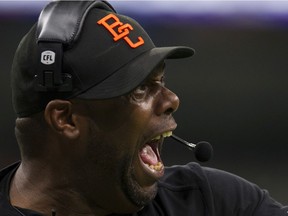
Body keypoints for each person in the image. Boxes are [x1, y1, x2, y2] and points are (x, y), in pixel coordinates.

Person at [0, 0, 287, 215]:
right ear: (66, 119)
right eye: (139, 88)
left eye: (161, 81)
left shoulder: (207, 201)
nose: (171, 100)